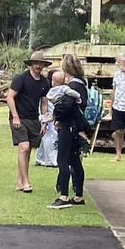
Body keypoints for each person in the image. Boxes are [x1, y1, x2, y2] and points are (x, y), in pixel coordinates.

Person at [45, 65, 90, 208]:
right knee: (75, 160)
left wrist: (57, 115)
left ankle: (63, 196)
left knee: (62, 159)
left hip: (68, 126)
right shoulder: (76, 86)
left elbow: (67, 106)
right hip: (73, 126)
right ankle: (78, 196)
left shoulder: (71, 88)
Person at [8, 53, 53, 193]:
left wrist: (44, 122)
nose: (38, 66)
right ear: (31, 64)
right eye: (36, 63)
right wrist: (15, 117)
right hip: (19, 117)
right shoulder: (21, 78)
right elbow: (10, 97)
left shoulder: (45, 83)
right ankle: (26, 182)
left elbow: (44, 103)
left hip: (34, 119)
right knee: (24, 147)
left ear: (44, 65)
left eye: (41, 63)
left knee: (28, 151)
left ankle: (20, 181)